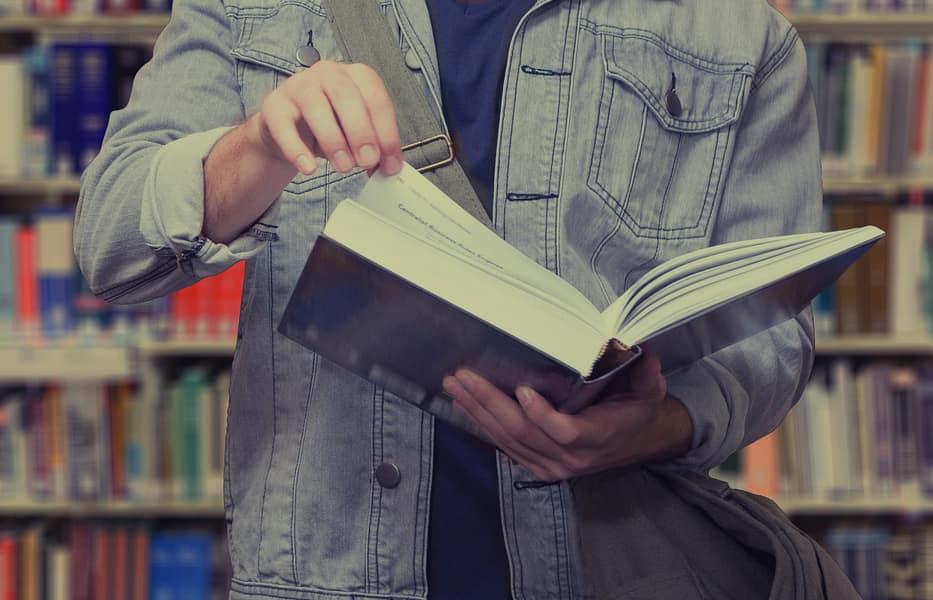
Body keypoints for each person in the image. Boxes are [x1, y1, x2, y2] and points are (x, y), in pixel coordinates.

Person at [71, 0, 824, 595]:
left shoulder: (740, 35)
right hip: (324, 578)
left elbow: (773, 339)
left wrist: (655, 424)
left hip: (613, 570)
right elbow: (109, 244)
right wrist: (260, 146)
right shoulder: (253, 6)